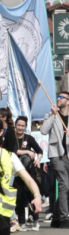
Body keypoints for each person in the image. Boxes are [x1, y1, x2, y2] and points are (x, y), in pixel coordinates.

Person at [40, 91, 69, 227]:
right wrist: (52, 115)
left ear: (68, 102)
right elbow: (44, 131)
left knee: (66, 187)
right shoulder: (51, 115)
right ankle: (64, 218)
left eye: (62, 97)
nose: (58, 99)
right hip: (57, 154)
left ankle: (56, 218)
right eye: (58, 97)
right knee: (64, 184)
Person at [12, 115, 42, 231]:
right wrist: (27, 152)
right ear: (15, 125)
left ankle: (35, 220)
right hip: (17, 174)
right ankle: (21, 222)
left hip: (30, 173)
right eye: (18, 125)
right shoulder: (11, 139)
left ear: (25, 127)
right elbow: (12, 151)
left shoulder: (29, 138)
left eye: (23, 126)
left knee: (32, 196)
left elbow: (39, 150)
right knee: (19, 198)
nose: (20, 128)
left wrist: (38, 159)